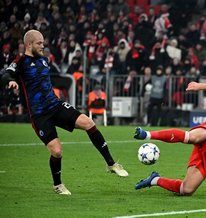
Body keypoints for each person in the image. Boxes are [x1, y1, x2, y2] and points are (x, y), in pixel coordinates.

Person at [1, 30, 128, 195]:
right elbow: (5, 74)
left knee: (89, 123)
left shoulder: (45, 61)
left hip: (56, 105)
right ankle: (58, 185)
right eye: (39, 43)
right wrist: (11, 81)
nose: (43, 45)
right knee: (57, 151)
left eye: (43, 42)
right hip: (40, 115)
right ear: (29, 44)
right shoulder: (21, 61)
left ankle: (111, 164)